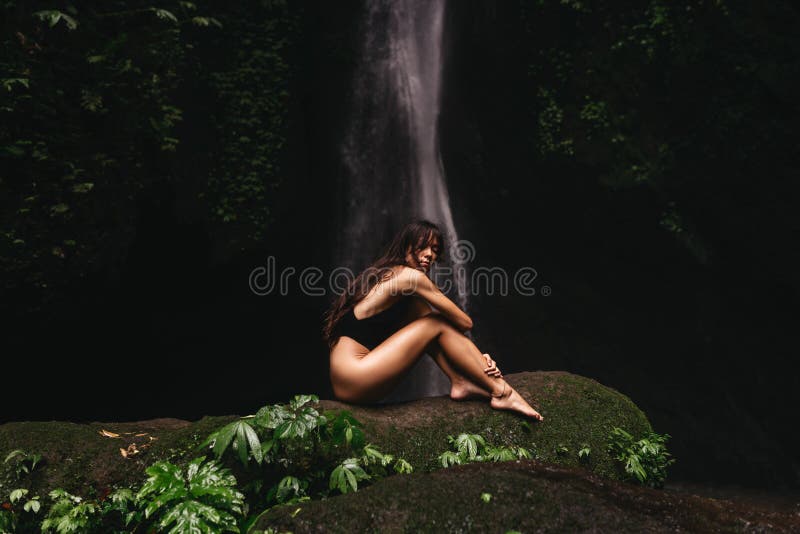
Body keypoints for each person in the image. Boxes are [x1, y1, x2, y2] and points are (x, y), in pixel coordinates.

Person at [322, 220, 543, 420]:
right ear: (405, 246)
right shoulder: (410, 277)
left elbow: (447, 335)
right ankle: (501, 392)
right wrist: (481, 362)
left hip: (349, 382)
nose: (429, 255)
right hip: (355, 376)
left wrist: (478, 360)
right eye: (422, 246)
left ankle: (459, 381)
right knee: (435, 321)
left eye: (435, 250)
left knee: (428, 320)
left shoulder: (390, 279)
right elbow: (465, 323)